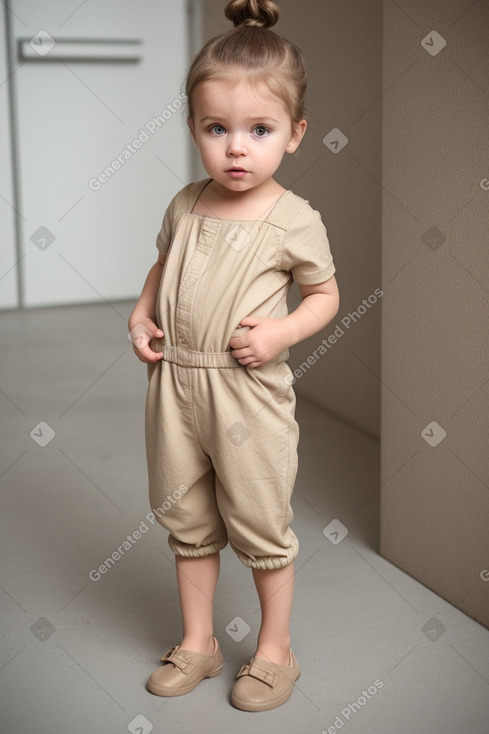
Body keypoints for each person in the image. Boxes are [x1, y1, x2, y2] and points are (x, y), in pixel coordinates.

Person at [128, 0, 340, 712]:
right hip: (175, 386)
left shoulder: (292, 218)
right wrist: (141, 311)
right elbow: (163, 266)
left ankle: (276, 650)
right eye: (216, 129)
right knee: (184, 515)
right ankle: (198, 641)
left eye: (258, 130)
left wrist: (280, 334)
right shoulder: (186, 203)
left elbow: (324, 296)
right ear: (194, 128)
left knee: (257, 519)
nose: (236, 149)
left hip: (246, 395)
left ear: (294, 133)